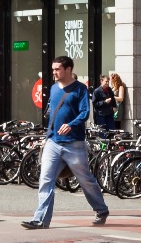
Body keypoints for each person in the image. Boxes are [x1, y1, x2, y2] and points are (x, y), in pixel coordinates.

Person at [20, 55, 108, 229]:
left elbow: (85, 112)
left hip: (74, 143)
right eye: (53, 69)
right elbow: (52, 117)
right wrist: (46, 138)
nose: (54, 72)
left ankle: (101, 209)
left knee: (85, 180)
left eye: (57, 69)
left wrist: (71, 124)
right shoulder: (53, 89)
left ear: (68, 69)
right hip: (53, 142)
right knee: (46, 180)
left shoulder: (80, 89)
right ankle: (41, 220)